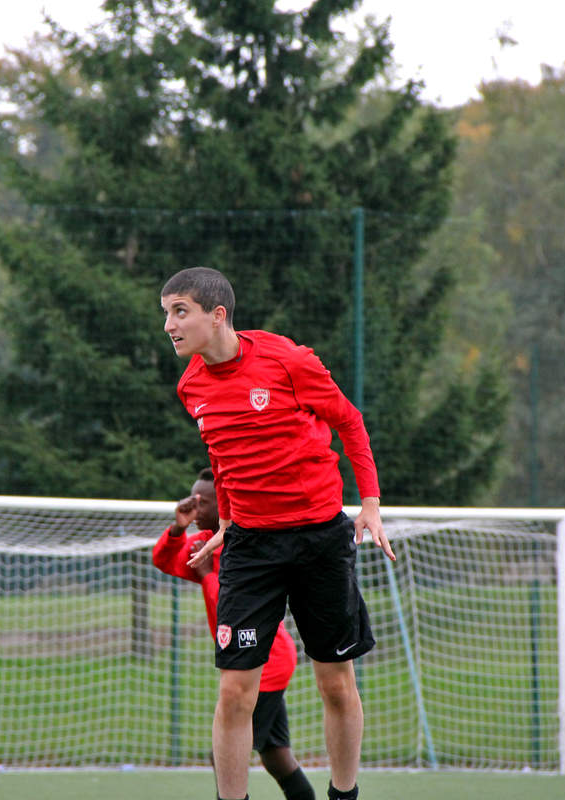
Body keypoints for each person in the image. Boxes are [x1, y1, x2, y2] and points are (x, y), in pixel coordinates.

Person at [160, 266, 397, 800]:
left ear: (217, 315)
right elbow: (222, 455)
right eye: (165, 313)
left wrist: (371, 505)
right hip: (251, 547)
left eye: (180, 311)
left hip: (319, 538)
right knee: (235, 692)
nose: (169, 325)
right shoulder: (190, 387)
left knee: (335, 682)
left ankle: (343, 796)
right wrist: (225, 519)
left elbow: (350, 422)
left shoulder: (287, 360)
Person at [153, 468, 315, 800]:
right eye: (192, 500)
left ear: (226, 504)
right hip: (251, 660)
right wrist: (177, 528)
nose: (195, 508)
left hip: (266, 660)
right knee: (276, 757)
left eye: (203, 503)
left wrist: (208, 576)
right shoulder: (202, 544)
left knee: (224, 752)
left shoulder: (246, 545)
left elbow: (233, 605)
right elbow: (165, 561)